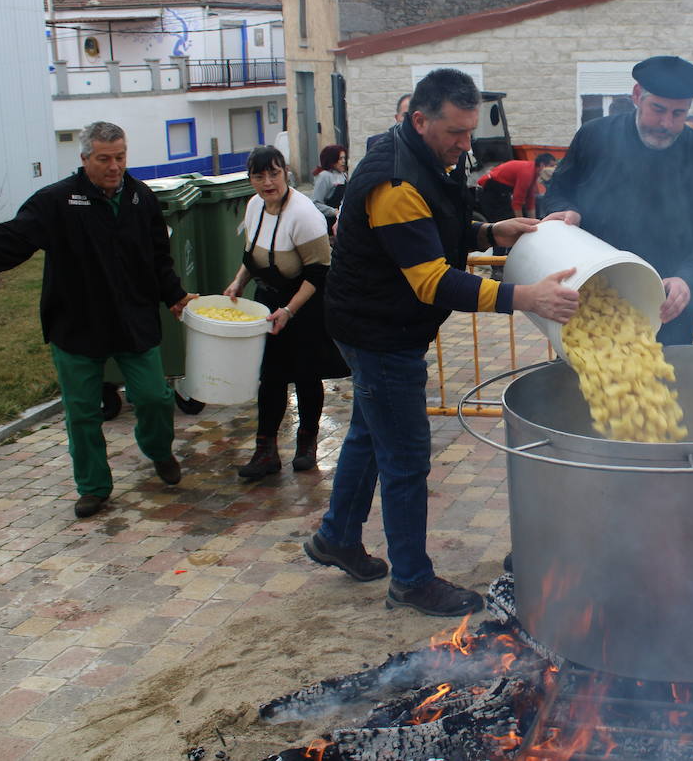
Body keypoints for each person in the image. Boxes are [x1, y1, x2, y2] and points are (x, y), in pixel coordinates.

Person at [307, 68, 578, 617]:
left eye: (470, 131)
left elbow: (440, 229)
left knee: (367, 432)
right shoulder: (396, 182)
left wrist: (489, 233)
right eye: (455, 132)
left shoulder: (431, 159)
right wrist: (523, 296)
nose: (464, 144)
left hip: (373, 323)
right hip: (380, 332)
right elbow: (431, 280)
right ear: (420, 119)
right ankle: (411, 579)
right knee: (405, 456)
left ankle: (337, 536)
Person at [0, 121, 196, 518]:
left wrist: (174, 295)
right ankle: (93, 487)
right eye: (104, 159)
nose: (114, 167)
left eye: (121, 157)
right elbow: (14, 237)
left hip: (133, 320)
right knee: (82, 412)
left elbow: (157, 259)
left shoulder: (140, 199)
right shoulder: (58, 201)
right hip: (77, 325)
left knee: (153, 397)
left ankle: (159, 451)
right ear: (84, 159)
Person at [540, 55, 693, 345]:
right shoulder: (594, 137)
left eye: (678, 113)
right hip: (592, 298)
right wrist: (565, 211)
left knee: (662, 386)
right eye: (657, 109)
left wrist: (689, 279)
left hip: (666, 307)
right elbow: (558, 192)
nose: (666, 123)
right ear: (637, 96)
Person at [225, 147, 348, 479]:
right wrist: (237, 283)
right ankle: (265, 452)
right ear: (251, 179)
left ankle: (306, 444)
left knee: (307, 373)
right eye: (259, 176)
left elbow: (318, 273)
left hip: (305, 302)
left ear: (286, 174)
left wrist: (289, 311)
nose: (268, 182)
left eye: (274, 174)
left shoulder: (303, 214)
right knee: (271, 377)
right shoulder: (254, 207)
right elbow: (253, 257)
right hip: (268, 301)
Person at [476, 153, 557, 221]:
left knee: (516, 213)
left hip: (501, 189)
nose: (553, 169)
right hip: (489, 187)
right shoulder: (527, 173)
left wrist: (534, 222)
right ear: (542, 165)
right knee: (503, 219)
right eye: (551, 166)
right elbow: (517, 202)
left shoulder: (533, 172)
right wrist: (522, 225)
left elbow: (530, 199)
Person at [310, 144, 348, 209]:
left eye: (344, 158)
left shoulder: (343, 175)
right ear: (332, 159)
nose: (343, 161)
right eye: (340, 158)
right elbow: (316, 203)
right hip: (329, 218)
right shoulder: (324, 176)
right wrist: (334, 212)